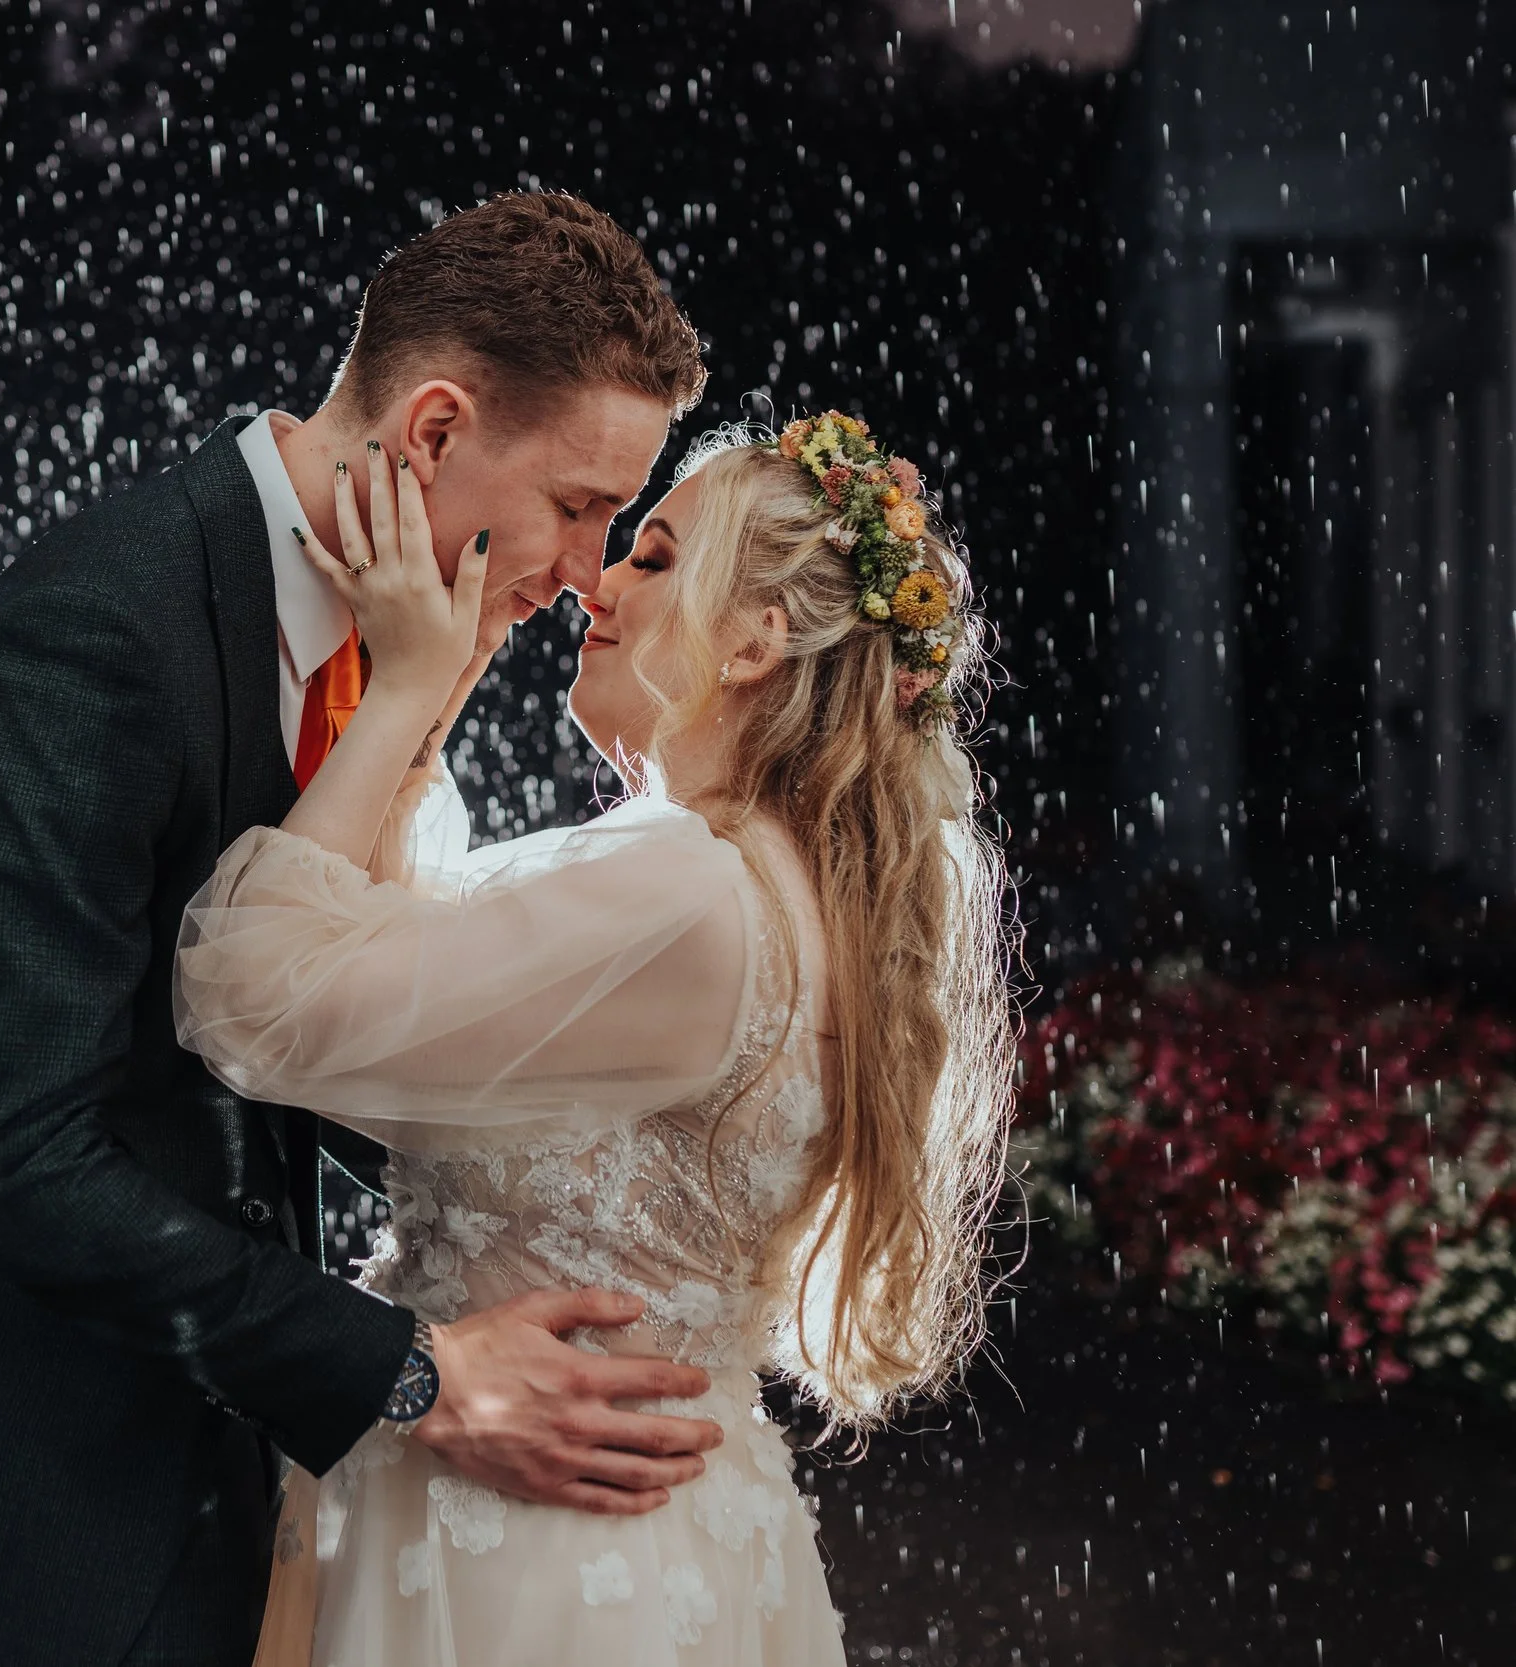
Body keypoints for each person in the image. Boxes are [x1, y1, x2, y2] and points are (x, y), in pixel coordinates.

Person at [0, 191, 724, 1667]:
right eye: (582, 504)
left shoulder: (406, 630)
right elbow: (20, 1155)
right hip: (43, 1402)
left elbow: (324, 1012)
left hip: (224, 1365)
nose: (588, 572)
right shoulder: (82, 647)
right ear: (433, 431)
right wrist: (413, 1372)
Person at [174, 412, 1020, 1665]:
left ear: (753, 641)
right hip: (659, 1539)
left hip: (535, 1564)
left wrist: (401, 683)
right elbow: (405, 1032)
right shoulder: (777, 893)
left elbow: (249, 992)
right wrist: (436, 690)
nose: (599, 579)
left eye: (657, 555)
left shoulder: (689, 900)